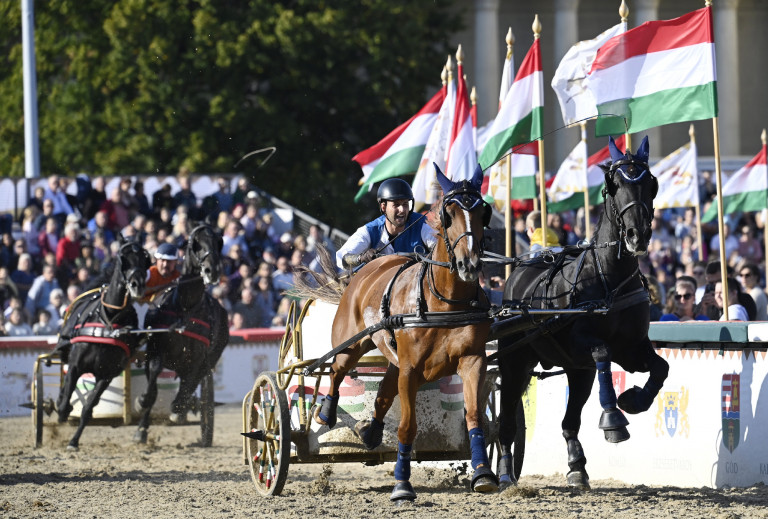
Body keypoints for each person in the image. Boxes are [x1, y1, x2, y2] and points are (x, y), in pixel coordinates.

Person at [335, 178, 436, 269]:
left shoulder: (423, 224)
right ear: (383, 207)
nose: (402, 210)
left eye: (405, 204)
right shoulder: (370, 230)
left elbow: (440, 248)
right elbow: (341, 258)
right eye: (396, 205)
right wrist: (361, 258)